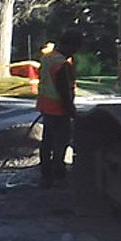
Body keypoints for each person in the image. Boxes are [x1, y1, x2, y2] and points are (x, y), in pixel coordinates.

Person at [37, 30, 82, 187]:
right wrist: (71, 110)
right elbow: (64, 90)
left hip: (46, 106)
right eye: (74, 48)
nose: (74, 52)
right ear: (68, 45)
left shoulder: (47, 58)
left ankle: (45, 173)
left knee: (47, 141)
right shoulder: (61, 64)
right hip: (59, 108)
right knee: (60, 142)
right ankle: (58, 174)